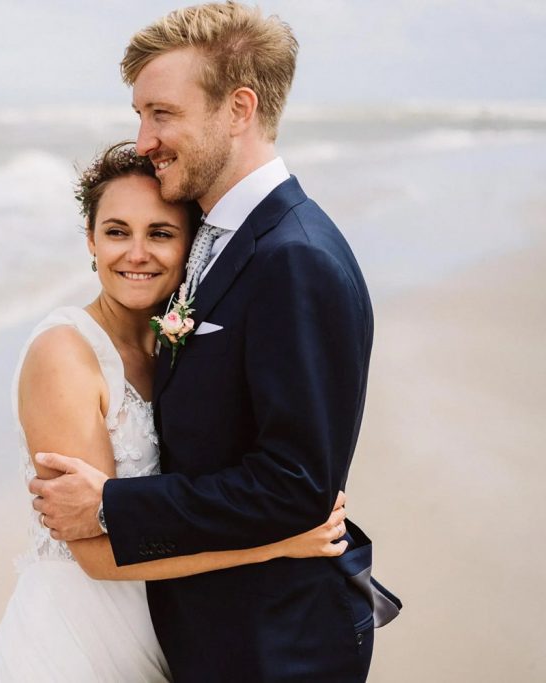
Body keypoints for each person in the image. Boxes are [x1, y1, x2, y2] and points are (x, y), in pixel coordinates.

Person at [30, 4, 401, 682]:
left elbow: (296, 484)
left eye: (162, 114)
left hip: (274, 645)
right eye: (139, 114)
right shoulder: (215, 234)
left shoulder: (294, 256)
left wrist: (111, 504)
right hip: (210, 632)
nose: (144, 139)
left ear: (238, 109)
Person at [0, 142, 350, 682]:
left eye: (160, 233)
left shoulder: (175, 347)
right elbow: (97, 556)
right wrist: (277, 543)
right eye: (116, 232)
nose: (136, 254)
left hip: (170, 635)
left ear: (189, 244)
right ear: (90, 240)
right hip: (77, 643)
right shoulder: (63, 354)